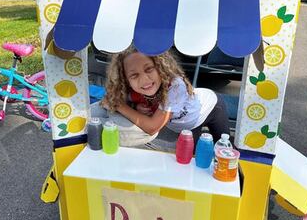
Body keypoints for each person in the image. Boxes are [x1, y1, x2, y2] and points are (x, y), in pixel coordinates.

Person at [98, 46, 229, 145]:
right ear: (125, 79)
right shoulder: (134, 89)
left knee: (224, 148)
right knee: (188, 159)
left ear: (160, 66)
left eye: (149, 69)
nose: (144, 80)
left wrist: (118, 106)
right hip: (187, 123)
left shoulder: (176, 86)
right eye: (134, 75)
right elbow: (114, 98)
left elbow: (152, 127)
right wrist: (135, 107)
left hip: (211, 108)